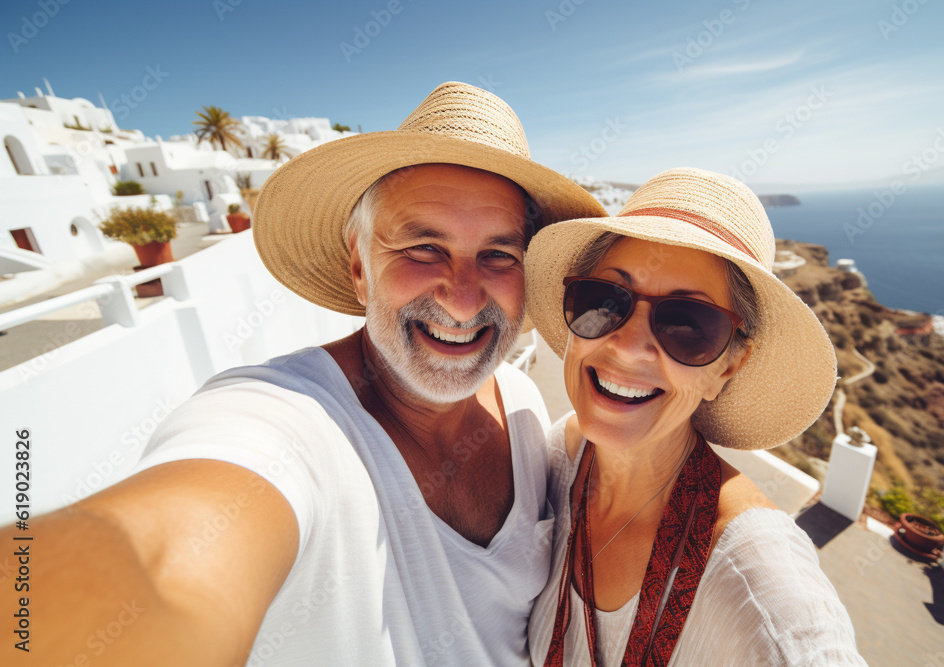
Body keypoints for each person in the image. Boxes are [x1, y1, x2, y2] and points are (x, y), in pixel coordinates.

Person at [0, 82, 605, 666]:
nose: (465, 298)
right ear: (359, 267)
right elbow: (159, 562)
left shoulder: (522, 402)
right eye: (423, 248)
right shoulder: (279, 419)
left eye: (499, 255)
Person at [525, 168, 867, 665]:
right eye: (605, 301)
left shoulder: (762, 586)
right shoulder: (561, 456)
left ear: (729, 365)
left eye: (688, 323)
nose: (629, 348)